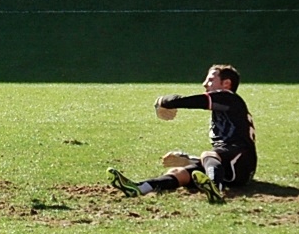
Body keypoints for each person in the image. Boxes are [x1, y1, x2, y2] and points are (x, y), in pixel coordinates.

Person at [107, 64, 256, 205]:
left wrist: (162, 101)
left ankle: (215, 189)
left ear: (226, 84)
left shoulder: (229, 97)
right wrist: (189, 159)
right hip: (228, 164)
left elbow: (189, 101)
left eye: (210, 80)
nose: (205, 84)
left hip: (243, 161)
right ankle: (140, 188)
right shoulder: (225, 106)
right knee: (179, 172)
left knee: (208, 155)